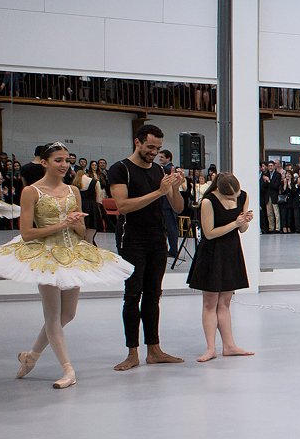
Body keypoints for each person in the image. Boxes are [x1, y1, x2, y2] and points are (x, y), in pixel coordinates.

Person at [0, 143, 133, 389]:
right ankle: (68, 369)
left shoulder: (73, 190)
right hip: (44, 255)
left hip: (72, 253)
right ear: (44, 162)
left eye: (67, 160)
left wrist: (77, 223)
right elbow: (27, 233)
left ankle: (31, 355)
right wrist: (62, 224)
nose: (64, 165)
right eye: (58, 160)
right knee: (53, 315)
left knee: (68, 314)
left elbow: (80, 232)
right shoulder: (31, 191)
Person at [108, 124, 186, 370]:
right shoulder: (120, 169)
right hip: (131, 238)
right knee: (133, 295)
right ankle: (132, 352)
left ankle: (154, 349)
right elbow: (123, 206)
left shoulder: (159, 170)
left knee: (153, 295)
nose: (154, 152)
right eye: (150, 147)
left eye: (158, 148)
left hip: (156, 238)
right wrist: (158, 192)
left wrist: (173, 188)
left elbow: (178, 207)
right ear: (137, 142)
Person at [187, 173, 255, 362]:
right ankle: (210, 348)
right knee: (210, 303)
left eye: (236, 195)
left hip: (231, 251)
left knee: (225, 302)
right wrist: (235, 223)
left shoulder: (243, 196)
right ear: (220, 191)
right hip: (212, 252)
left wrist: (244, 222)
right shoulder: (208, 201)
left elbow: (242, 229)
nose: (234, 199)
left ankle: (229, 345)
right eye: (230, 196)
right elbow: (209, 233)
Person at [158, 150, 180, 256]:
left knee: (171, 227)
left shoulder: (168, 169)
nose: (160, 159)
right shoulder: (167, 168)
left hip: (168, 203)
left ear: (168, 158)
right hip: (166, 202)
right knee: (169, 226)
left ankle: (173, 250)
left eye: (162, 157)